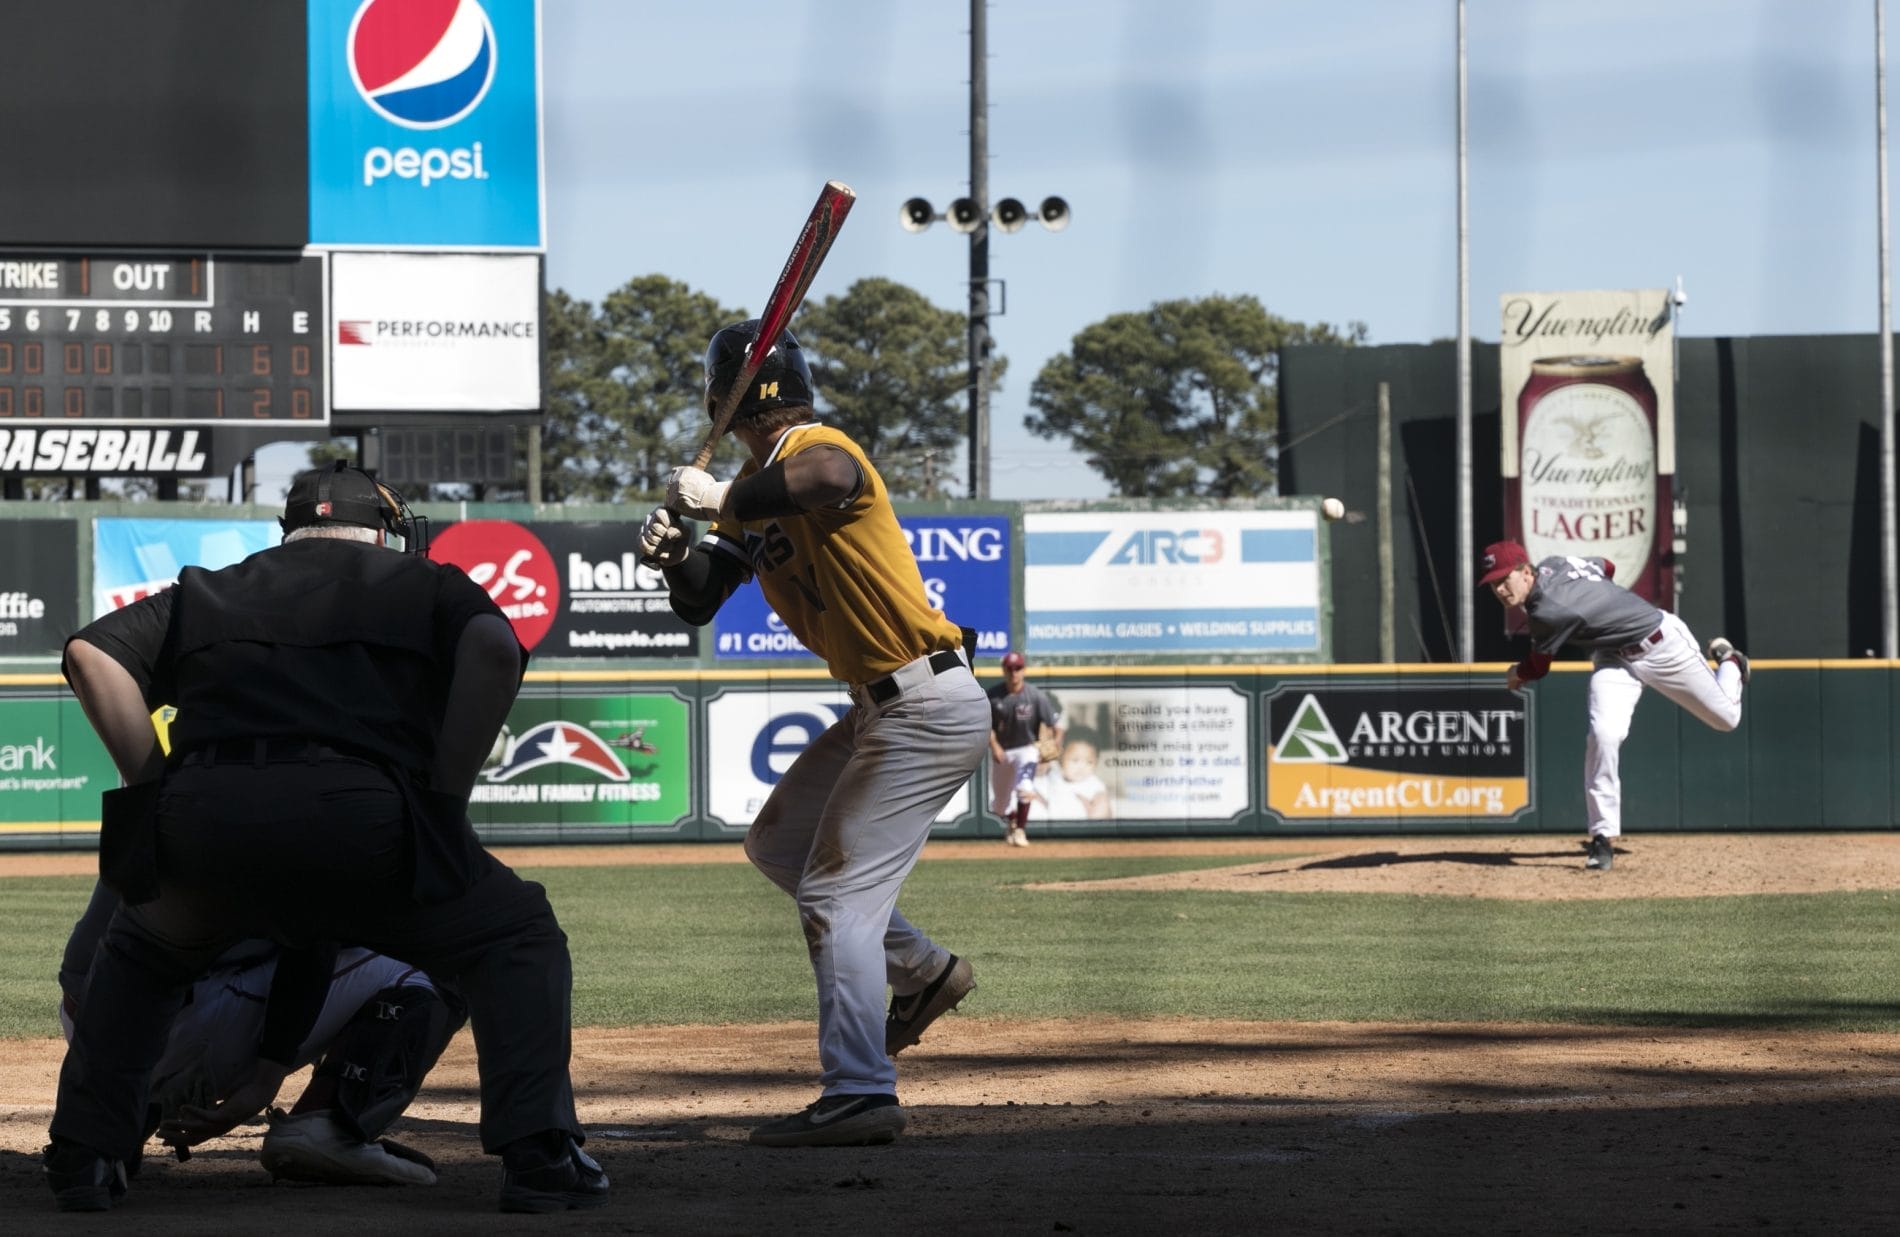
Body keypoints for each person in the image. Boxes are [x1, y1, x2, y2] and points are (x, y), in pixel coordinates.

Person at [44, 462, 606, 1215]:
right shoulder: (424, 581)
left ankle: (86, 1156)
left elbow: (90, 654)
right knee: (518, 935)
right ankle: (539, 1155)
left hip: (204, 814)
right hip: (361, 812)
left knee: (140, 953)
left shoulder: (211, 585)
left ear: (292, 528)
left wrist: (154, 790)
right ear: (383, 530)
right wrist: (442, 799)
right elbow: (496, 653)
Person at [639, 320, 988, 1148]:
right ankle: (926, 972)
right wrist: (674, 552)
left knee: (836, 896)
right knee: (781, 845)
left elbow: (828, 477)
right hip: (882, 707)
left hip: (925, 701)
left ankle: (862, 1094)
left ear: (726, 399)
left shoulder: (815, 445)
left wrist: (720, 498)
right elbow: (699, 599)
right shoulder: (758, 485)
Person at [57, 880, 462, 1187]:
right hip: (187, 1028)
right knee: (441, 966)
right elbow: (315, 943)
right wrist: (263, 1083)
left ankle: (122, 1115)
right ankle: (327, 1124)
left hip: (93, 1035)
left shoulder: (172, 786)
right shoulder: (295, 795)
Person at [1479, 539, 1748, 871]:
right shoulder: (1556, 563)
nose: (1501, 589)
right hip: (1613, 656)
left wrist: (1516, 674)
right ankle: (1602, 838)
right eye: (1493, 584)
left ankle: (1731, 661)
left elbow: (1538, 667)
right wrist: (1604, 602)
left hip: (1662, 647)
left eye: (1505, 579)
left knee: (1727, 718)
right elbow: (1606, 565)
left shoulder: (1548, 610)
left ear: (1525, 571)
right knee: (1603, 734)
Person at [986, 651, 1061, 846]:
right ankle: (1011, 819)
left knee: (1025, 787)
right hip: (1002, 750)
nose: (1014, 672)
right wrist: (994, 747)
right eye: (1010, 668)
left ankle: (1020, 830)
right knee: (1000, 805)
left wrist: (1055, 744)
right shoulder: (993, 696)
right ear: (1003, 670)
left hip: (1027, 748)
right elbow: (985, 727)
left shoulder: (1035, 695)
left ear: (1023, 670)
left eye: (1017, 668)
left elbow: (1056, 725)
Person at [1032, 731, 1113, 821]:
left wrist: (1092, 823)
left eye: (1089, 762)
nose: (1081, 767)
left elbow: (1101, 812)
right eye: (1075, 760)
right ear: (1061, 758)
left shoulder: (1093, 784)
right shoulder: (1055, 775)